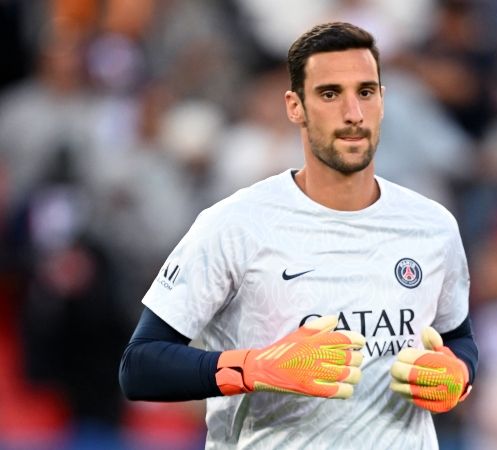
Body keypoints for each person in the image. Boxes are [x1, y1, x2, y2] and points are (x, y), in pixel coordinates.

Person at [118, 22, 478, 449]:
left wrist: (459, 373)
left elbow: (457, 336)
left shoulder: (432, 226)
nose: (353, 113)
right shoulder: (236, 224)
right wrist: (256, 368)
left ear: (383, 100)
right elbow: (139, 367)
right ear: (295, 106)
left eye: (366, 92)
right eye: (330, 94)